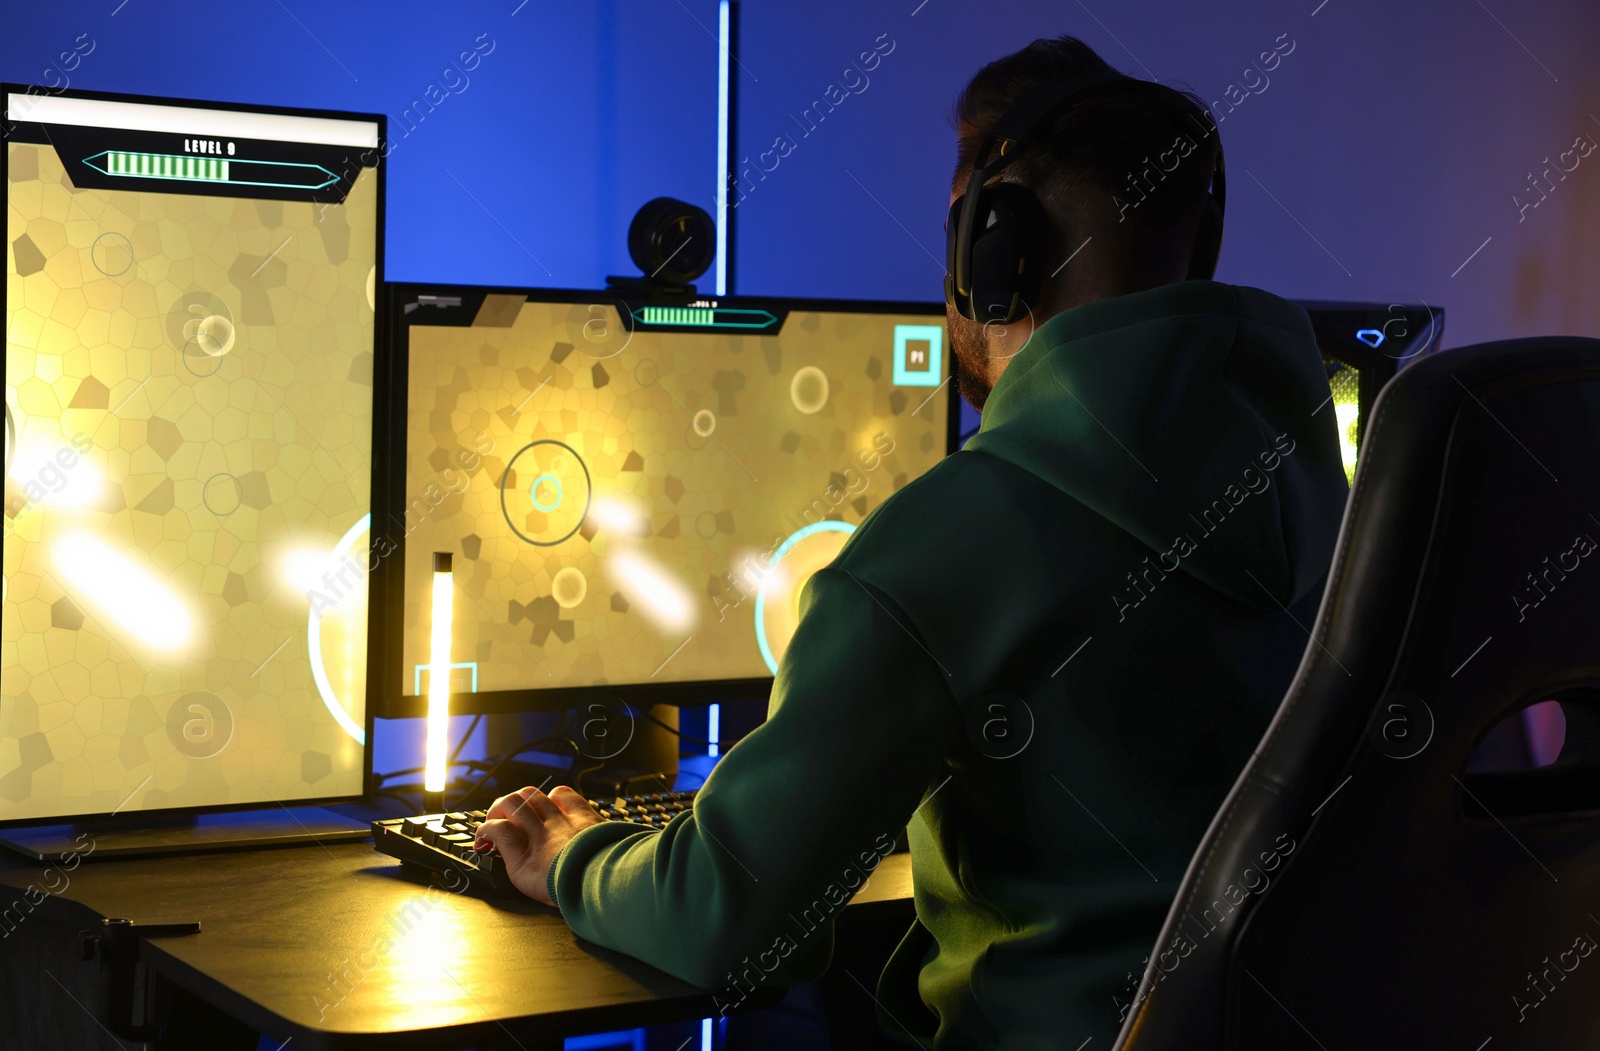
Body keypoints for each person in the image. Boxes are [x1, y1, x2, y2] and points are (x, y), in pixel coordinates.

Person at [475, 34, 1350, 1049]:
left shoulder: (956, 538)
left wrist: (575, 852)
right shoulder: (1347, 498)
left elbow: (724, 920)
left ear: (991, 253)